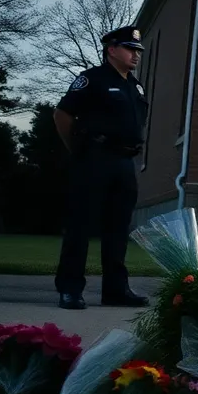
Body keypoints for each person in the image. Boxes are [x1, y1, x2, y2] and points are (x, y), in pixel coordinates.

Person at [53, 26, 151, 310]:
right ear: (111, 50)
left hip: (125, 162)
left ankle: (115, 290)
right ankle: (70, 289)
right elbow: (62, 114)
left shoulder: (135, 86)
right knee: (80, 225)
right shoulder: (91, 79)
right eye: (130, 49)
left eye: (138, 51)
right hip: (95, 158)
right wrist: (79, 150)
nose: (136, 55)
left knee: (118, 228)